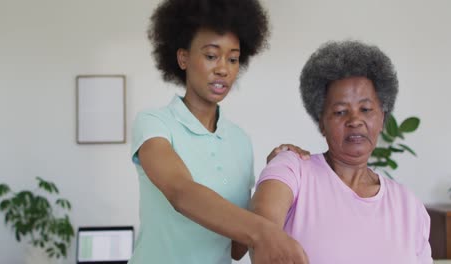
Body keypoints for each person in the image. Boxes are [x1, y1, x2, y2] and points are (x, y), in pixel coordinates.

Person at [129, 0, 309, 263]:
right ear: (183, 58)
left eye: (233, 58)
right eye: (211, 56)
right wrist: (264, 232)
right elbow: (181, 192)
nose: (223, 69)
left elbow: (237, 249)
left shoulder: (240, 141)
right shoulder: (154, 123)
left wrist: (273, 172)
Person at [251, 40, 433, 263]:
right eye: (340, 112)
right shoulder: (292, 169)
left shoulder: (408, 205)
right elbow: (260, 234)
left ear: (383, 119)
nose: (355, 120)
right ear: (321, 122)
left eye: (366, 109)